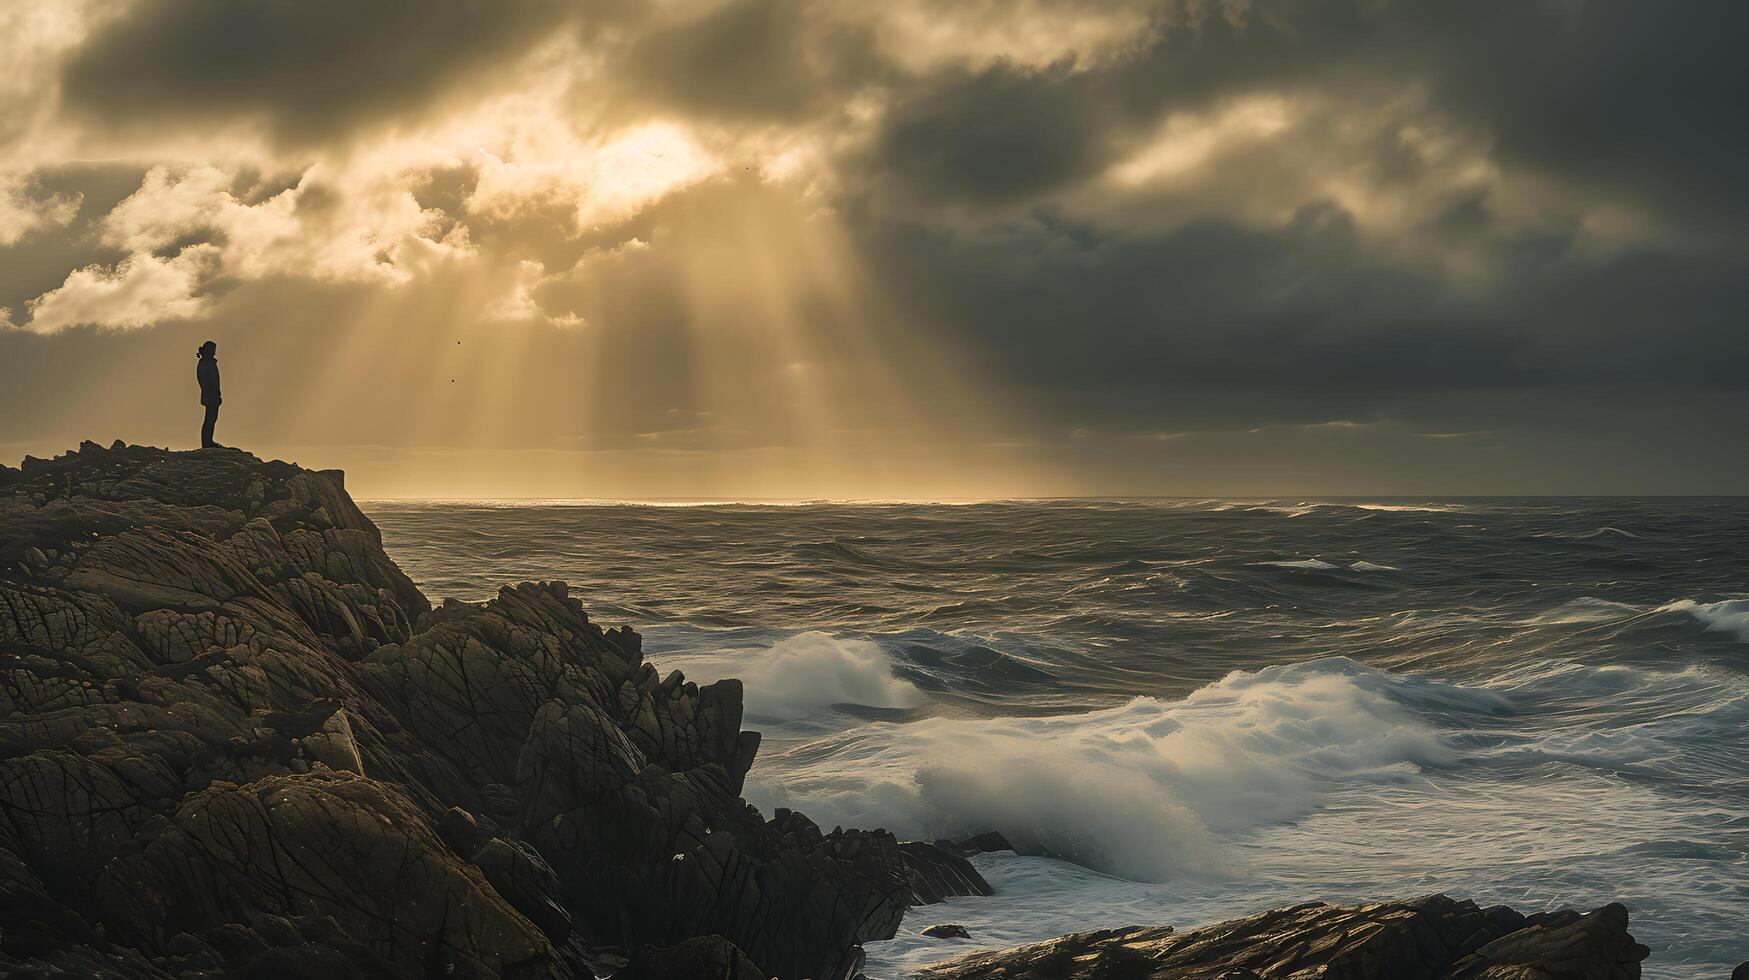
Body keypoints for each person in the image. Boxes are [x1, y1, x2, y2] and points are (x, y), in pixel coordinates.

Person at [196, 340, 222, 448]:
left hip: (212, 395)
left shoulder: (207, 362)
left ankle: (208, 441)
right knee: (209, 419)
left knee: (212, 418)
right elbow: (208, 380)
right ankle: (207, 442)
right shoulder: (206, 363)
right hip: (210, 395)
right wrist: (214, 393)